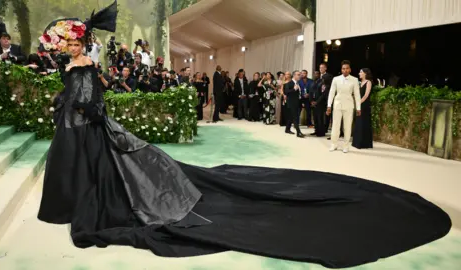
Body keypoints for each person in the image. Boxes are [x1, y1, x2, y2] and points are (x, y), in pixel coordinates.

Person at [36, 8, 451, 270]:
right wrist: (68, 103)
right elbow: (78, 95)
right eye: (65, 42)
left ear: (78, 41)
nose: (67, 45)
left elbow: (90, 98)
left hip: (86, 127)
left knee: (109, 175)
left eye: (69, 41)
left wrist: (79, 108)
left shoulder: (86, 64)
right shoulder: (75, 64)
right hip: (79, 129)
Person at [326, 60, 361, 153]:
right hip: (337, 105)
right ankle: (334, 144)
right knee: (335, 126)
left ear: (350, 70)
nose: (345, 70)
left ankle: (346, 146)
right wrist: (329, 105)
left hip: (349, 105)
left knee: (347, 126)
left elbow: (357, 95)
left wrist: (358, 108)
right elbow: (331, 93)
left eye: (347, 69)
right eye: (343, 69)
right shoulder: (336, 79)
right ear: (341, 70)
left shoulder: (354, 80)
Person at [352, 68, 374, 149]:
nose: (359, 73)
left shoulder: (368, 82)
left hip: (364, 105)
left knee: (363, 123)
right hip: (359, 105)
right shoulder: (360, 83)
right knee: (358, 123)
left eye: (361, 72)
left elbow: (366, 95)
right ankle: (357, 142)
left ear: (365, 73)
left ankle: (364, 143)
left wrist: (359, 102)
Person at [283, 71, 304, 137]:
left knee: (291, 117)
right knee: (295, 117)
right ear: (294, 75)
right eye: (298, 75)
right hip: (291, 103)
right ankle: (298, 132)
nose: (299, 76)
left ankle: (287, 129)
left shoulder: (298, 83)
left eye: (300, 75)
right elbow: (286, 92)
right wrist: (294, 89)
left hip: (298, 102)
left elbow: (299, 94)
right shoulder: (289, 83)